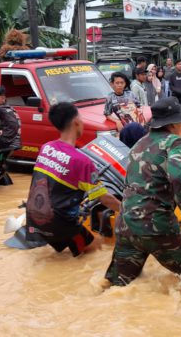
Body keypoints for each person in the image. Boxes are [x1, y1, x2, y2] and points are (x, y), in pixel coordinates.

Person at [105, 97, 181, 289]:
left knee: (119, 284)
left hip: (126, 223)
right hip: (156, 225)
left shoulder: (138, 144)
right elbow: (179, 177)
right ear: (174, 124)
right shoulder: (175, 143)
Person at [25, 102, 121, 257]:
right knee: (95, 248)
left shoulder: (46, 148)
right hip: (60, 223)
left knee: (58, 259)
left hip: (33, 218)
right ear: (76, 121)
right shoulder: (82, 161)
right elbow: (105, 199)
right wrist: (129, 211)